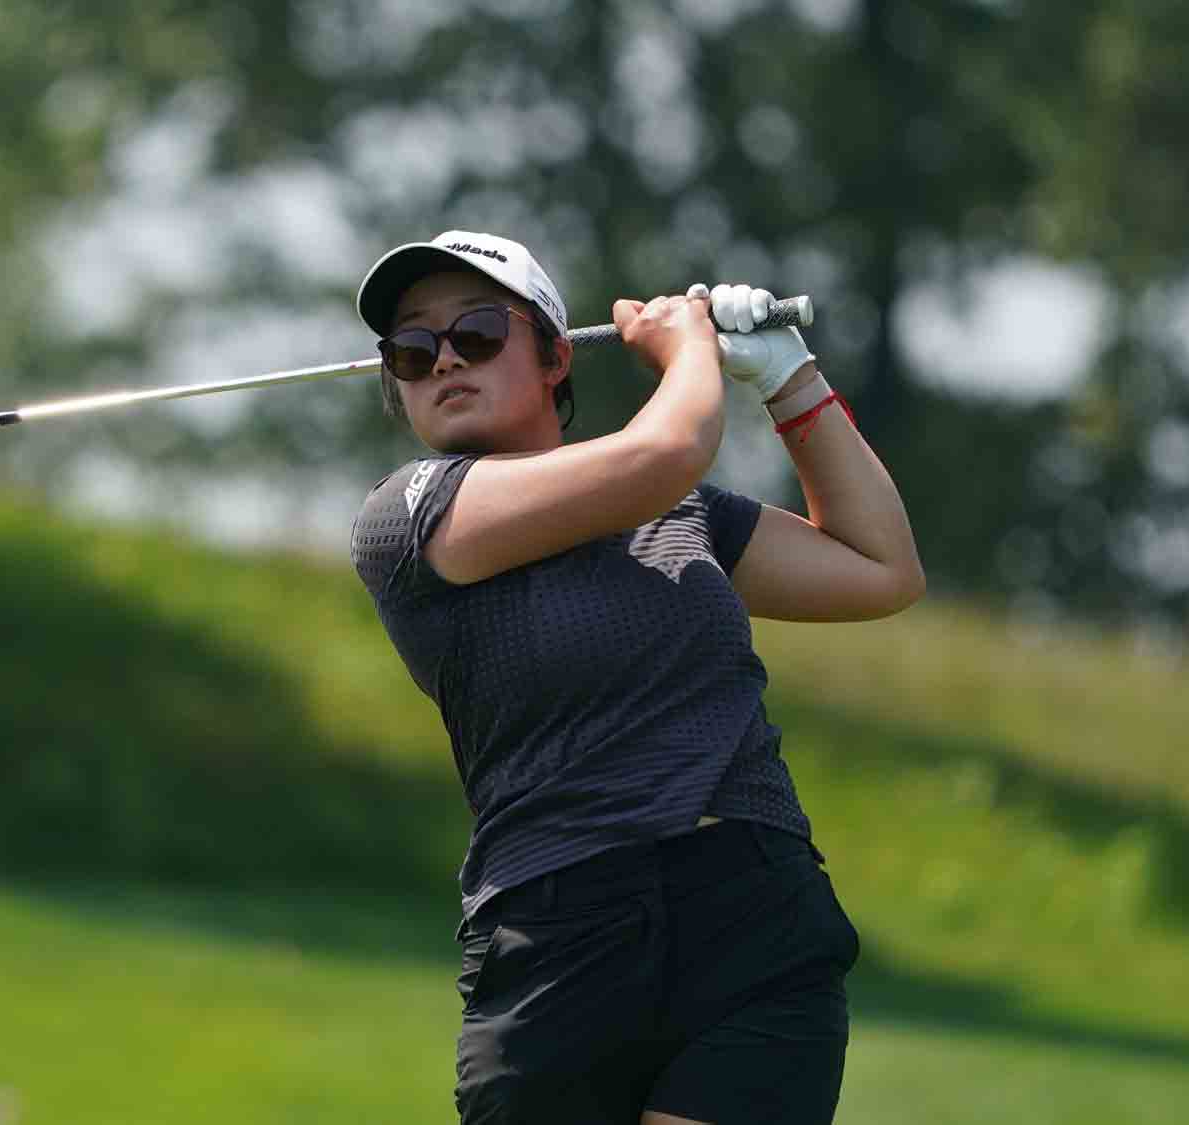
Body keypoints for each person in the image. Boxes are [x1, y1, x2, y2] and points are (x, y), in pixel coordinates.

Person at [348, 230, 923, 1125]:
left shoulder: (682, 515)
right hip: (557, 938)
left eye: (478, 332)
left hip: (751, 911)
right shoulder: (408, 517)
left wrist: (789, 379)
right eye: (414, 350)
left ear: (554, 356)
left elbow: (879, 567)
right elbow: (665, 451)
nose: (445, 359)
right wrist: (691, 349)